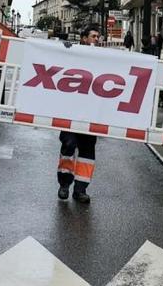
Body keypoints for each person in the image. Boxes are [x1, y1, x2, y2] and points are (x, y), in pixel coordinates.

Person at [56, 24, 101, 204]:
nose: (96, 39)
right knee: (68, 144)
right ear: (83, 38)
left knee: (87, 151)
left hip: (91, 114)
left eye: (98, 37)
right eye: (93, 36)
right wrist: (65, 51)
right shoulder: (72, 54)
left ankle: (80, 190)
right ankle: (64, 185)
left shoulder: (103, 58)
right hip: (71, 112)